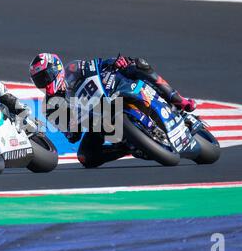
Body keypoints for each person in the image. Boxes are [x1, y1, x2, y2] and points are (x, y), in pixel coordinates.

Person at [29, 53, 196, 168]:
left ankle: (178, 101)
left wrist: (115, 63)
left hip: (114, 90)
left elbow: (99, 64)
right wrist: (71, 126)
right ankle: (130, 146)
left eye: (45, 76)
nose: (43, 82)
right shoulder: (50, 106)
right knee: (85, 157)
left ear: (56, 69)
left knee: (138, 64)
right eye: (38, 80)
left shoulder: (73, 68)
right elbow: (72, 136)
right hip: (98, 120)